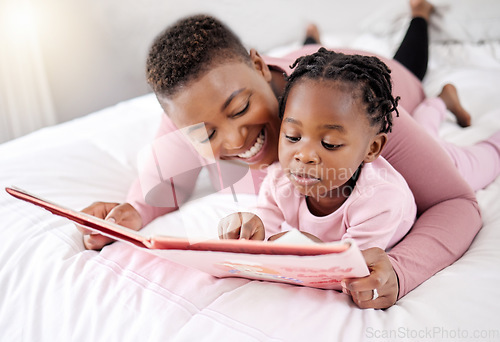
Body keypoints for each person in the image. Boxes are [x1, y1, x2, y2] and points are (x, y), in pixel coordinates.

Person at [77, 2, 498, 309]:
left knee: (458, 156)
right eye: (207, 134)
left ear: (259, 66)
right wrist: (130, 213)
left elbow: (457, 202)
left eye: (240, 109)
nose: (236, 140)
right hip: (311, 65)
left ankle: (421, 19)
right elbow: (165, 181)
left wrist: (401, 269)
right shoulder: (197, 106)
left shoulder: (356, 105)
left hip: (392, 79)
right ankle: (317, 42)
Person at [218, 49, 418, 254]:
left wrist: (307, 244)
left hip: (403, 214)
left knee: (427, 119)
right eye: (293, 137)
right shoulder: (278, 179)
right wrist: (250, 225)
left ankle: (441, 103)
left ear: (372, 148)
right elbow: (265, 224)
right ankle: (310, 37)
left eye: (329, 143)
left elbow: (350, 263)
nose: (303, 155)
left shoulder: (380, 199)